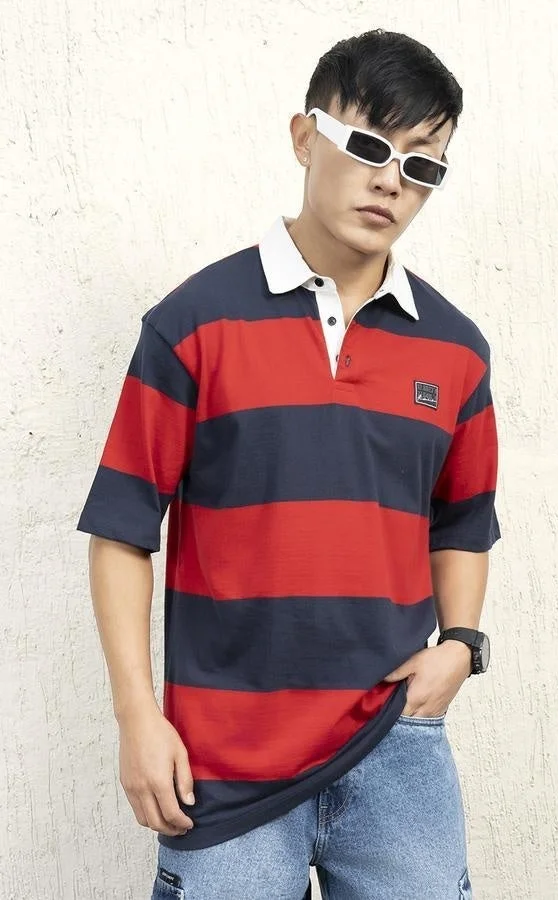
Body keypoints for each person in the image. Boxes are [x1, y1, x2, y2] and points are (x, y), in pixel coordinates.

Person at [77, 27, 501, 900]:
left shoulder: (456, 351)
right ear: (305, 138)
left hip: (395, 744)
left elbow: (463, 520)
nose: (391, 180)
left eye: (422, 163)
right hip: (223, 763)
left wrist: (460, 646)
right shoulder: (194, 323)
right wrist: (136, 715)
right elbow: (122, 528)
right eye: (370, 145)